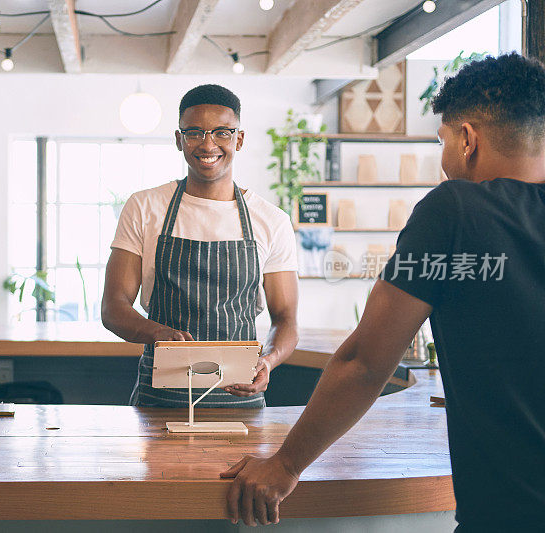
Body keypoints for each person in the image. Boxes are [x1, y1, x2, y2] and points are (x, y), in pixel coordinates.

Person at [220, 53, 545, 531]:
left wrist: (284, 465)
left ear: (468, 139)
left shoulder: (455, 210)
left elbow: (366, 362)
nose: (444, 160)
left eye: (443, 141)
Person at [101, 84, 299, 408]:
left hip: (240, 403)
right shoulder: (145, 207)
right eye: (194, 133)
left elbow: (287, 319)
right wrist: (155, 332)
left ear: (239, 139)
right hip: (159, 403)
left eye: (222, 132)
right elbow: (113, 308)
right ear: (179, 140)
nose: (208, 144)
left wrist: (270, 359)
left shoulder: (271, 220)